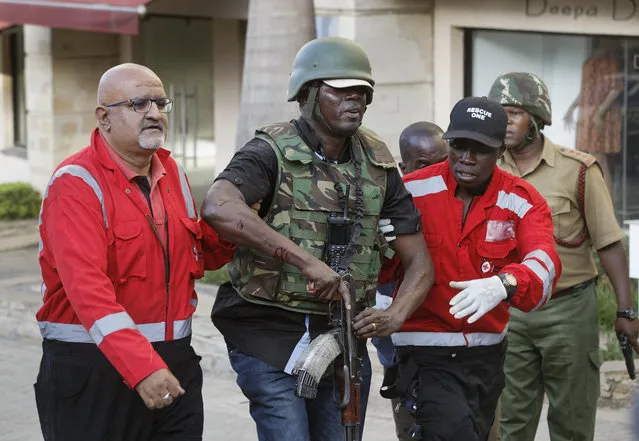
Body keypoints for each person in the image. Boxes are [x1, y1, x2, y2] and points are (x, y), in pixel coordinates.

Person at [201, 36, 434, 441]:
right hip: (267, 330)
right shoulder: (269, 151)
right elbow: (219, 207)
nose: (355, 101)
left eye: (362, 92)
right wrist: (305, 261)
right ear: (307, 94)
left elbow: (419, 261)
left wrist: (396, 314)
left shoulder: (377, 162)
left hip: (342, 337)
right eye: (341, 91)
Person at [34, 63, 236, 441]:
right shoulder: (75, 184)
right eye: (139, 103)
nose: (155, 114)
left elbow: (198, 256)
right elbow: (88, 291)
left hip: (174, 365)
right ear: (104, 118)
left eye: (161, 103)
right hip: (93, 370)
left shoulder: (171, 172)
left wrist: (236, 223)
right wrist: (141, 366)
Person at [386, 96, 561, 441]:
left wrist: (504, 283)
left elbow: (545, 265)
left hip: (486, 355)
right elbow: (380, 272)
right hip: (425, 351)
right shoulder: (410, 191)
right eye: (458, 146)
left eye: (478, 149)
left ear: (499, 152)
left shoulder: (522, 199)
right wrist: (378, 246)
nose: (465, 158)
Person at [489, 72, 639, 441]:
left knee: (573, 421)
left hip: (569, 310)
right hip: (510, 310)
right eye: (499, 112)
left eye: (514, 113)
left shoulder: (578, 169)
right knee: (510, 422)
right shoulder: (485, 169)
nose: (504, 121)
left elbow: (608, 243)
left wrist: (625, 311)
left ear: (536, 119)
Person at [372, 121, 447, 441]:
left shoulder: (461, 196)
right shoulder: (390, 204)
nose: (442, 171)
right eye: (428, 165)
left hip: (455, 344)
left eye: (446, 161)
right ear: (404, 168)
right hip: (404, 342)